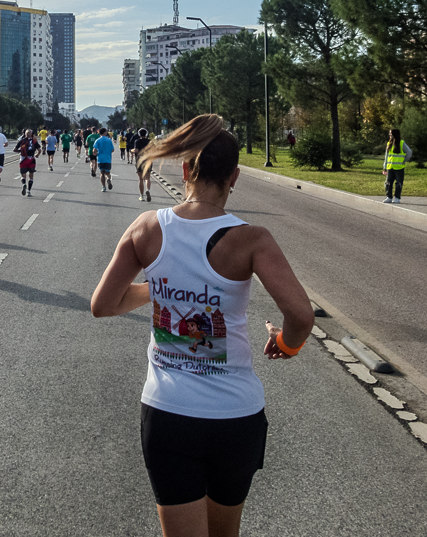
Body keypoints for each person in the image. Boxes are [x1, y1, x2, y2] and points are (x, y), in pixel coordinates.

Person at [90, 115, 315, 537]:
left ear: (186, 169)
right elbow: (302, 317)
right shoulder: (252, 239)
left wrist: (158, 288)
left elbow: (102, 305)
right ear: (235, 177)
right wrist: (286, 345)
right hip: (236, 415)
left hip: (168, 412)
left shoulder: (147, 228)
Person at [382, 128, 412, 204]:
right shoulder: (389, 143)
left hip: (399, 168)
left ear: (395, 134)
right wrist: (385, 166)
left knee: (398, 183)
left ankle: (397, 198)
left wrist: (404, 160)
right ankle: (389, 197)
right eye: (389, 134)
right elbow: (387, 155)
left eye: (391, 134)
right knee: (388, 183)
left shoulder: (401, 143)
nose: (389, 135)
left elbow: (409, 152)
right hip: (390, 167)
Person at [15, 128, 40, 196]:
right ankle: (29, 191)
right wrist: (37, 154)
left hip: (23, 159)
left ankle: (24, 184)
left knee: (23, 175)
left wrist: (21, 151)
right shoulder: (34, 141)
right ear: (31, 134)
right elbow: (39, 149)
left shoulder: (21, 141)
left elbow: (15, 149)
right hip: (31, 160)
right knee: (31, 175)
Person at [94, 127, 115, 192]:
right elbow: (112, 149)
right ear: (105, 132)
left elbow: (94, 150)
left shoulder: (97, 140)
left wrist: (95, 153)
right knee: (107, 173)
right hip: (108, 159)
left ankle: (103, 187)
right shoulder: (109, 140)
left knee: (101, 173)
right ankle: (108, 179)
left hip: (100, 159)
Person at [134, 128, 153, 202]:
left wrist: (132, 151)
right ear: (146, 134)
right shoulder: (150, 141)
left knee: (140, 178)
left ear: (139, 134)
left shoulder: (137, 141)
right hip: (148, 160)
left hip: (140, 160)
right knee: (148, 178)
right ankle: (148, 190)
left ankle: (141, 196)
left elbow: (136, 151)